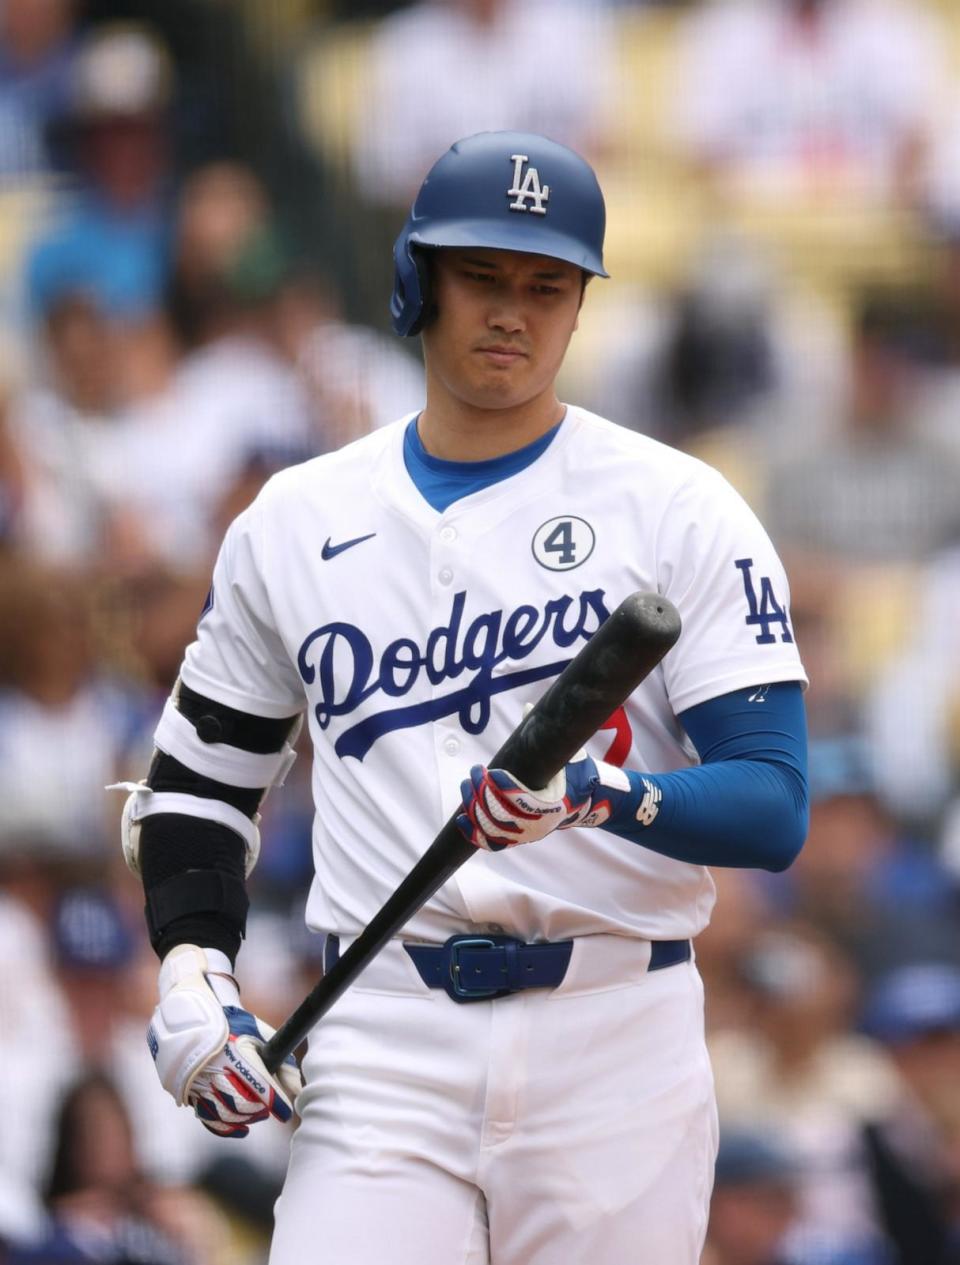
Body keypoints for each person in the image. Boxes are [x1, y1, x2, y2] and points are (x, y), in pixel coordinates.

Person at [118, 131, 809, 1264]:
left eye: (548, 285)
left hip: (614, 1031)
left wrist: (596, 794)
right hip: (382, 1026)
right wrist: (195, 968)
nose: (514, 311)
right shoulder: (294, 519)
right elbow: (199, 790)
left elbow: (775, 802)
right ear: (416, 278)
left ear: (581, 306)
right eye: (483, 274)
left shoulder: (681, 507)